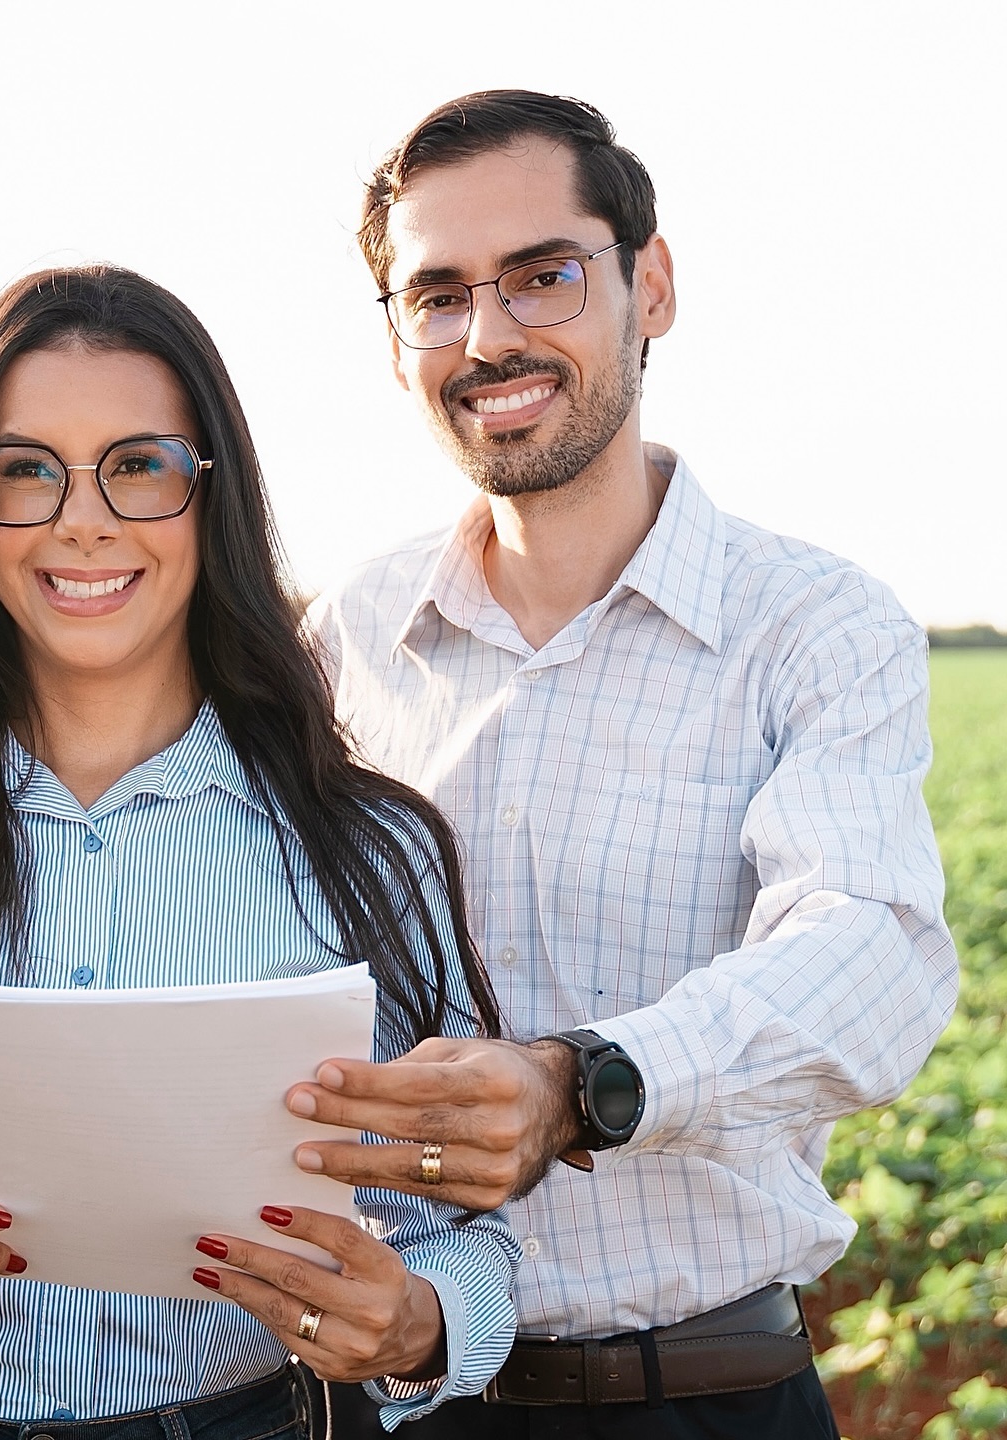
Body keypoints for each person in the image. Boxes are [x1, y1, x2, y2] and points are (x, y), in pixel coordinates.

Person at [0, 265, 522, 1439]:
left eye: (140, 466)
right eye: (29, 471)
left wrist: (418, 1322)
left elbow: (463, 1228)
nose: (85, 520)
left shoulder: (368, 850)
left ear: (209, 502)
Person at [292, 91, 958, 1438]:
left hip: (703, 1394)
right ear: (396, 338)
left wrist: (582, 1084)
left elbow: (871, 955)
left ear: (649, 284)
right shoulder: (346, 639)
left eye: (545, 275)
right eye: (437, 295)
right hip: (400, 1397)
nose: (490, 338)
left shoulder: (814, 626)